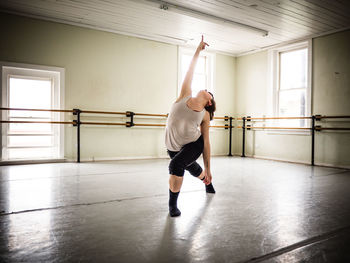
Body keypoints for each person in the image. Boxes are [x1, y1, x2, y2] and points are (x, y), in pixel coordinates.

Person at [165, 36, 216, 217]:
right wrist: (198, 50)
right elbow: (190, 71)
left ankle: (173, 206)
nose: (205, 89)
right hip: (173, 146)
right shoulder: (185, 94)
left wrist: (209, 168)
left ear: (209, 101)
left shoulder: (205, 114)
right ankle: (207, 183)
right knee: (191, 167)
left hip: (194, 144)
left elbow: (206, 142)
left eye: (208, 92)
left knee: (176, 164)